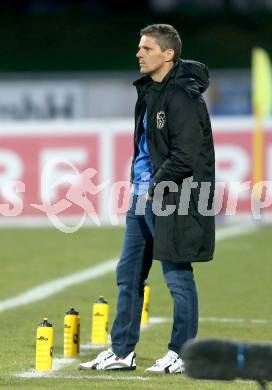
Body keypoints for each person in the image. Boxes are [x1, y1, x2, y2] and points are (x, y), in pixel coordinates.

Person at [79, 23, 215, 374]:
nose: (139, 53)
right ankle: (122, 351)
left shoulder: (183, 97)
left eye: (147, 49)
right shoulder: (150, 92)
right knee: (128, 275)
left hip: (169, 196)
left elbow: (186, 154)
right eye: (139, 48)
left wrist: (155, 185)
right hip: (142, 197)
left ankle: (184, 352)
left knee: (177, 276)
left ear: (168, 54)